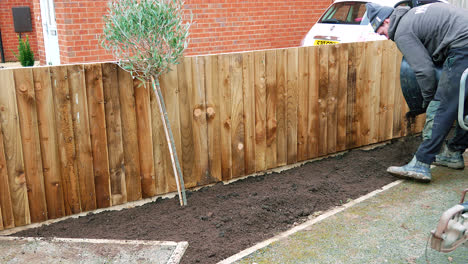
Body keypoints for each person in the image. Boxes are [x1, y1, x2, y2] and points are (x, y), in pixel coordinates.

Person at [365, 2, 468, 182]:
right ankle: (453, 152)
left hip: (463, 45)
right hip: (463, 40)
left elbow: (424, 70)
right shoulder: (413, 16)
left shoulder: (402, 31)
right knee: (463, 101)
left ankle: (421, 163)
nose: (383, 36)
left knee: (442, 105)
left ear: (387, 21)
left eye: (380, 30)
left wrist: (429, 100)